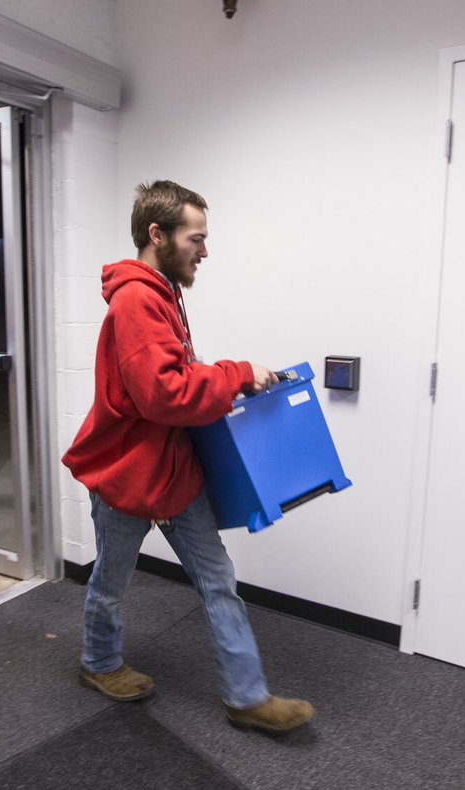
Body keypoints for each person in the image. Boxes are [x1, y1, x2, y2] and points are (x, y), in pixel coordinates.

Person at [62, 180, 314, 734]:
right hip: (128, 477)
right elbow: (164, 394)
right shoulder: (135, 301)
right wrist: (235, 373)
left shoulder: (163, 292)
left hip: (175, 473)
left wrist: (228, 375)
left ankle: (247, 698)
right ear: (158, 235)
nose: (205, 250)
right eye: (196, 238)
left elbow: (177, 373)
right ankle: (98, 664)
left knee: (218, 579)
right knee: (111, 580)